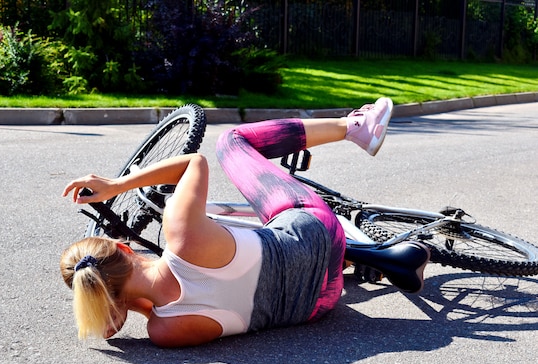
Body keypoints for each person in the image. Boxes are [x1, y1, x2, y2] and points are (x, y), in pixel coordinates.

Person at [60, 97, 427, 348]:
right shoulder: (182, 232)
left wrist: (118, 307)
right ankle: (355, 126)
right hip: (318, 232)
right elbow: (194, 163)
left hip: (321, 304)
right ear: (123, 246)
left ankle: (368, 257)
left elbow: (152, 305)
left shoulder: (164, 330)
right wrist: (117, 185)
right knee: (231, 142)